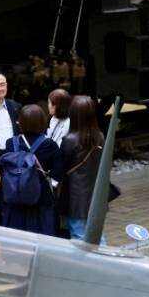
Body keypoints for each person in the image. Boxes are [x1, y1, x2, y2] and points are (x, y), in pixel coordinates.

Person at [0, 104, 62, 235]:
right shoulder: (49, 145)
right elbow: (57, 174)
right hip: (40, 196)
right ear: (42, 122)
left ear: (20, 122)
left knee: (16, 235)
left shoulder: (10, 143)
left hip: (15, 194)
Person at [59, 95, 104, 241]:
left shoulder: (70, 140)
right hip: (95, 194)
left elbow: (61, 168)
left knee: (78, 235)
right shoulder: (100, 136)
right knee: (97, 235)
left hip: (75, 197)